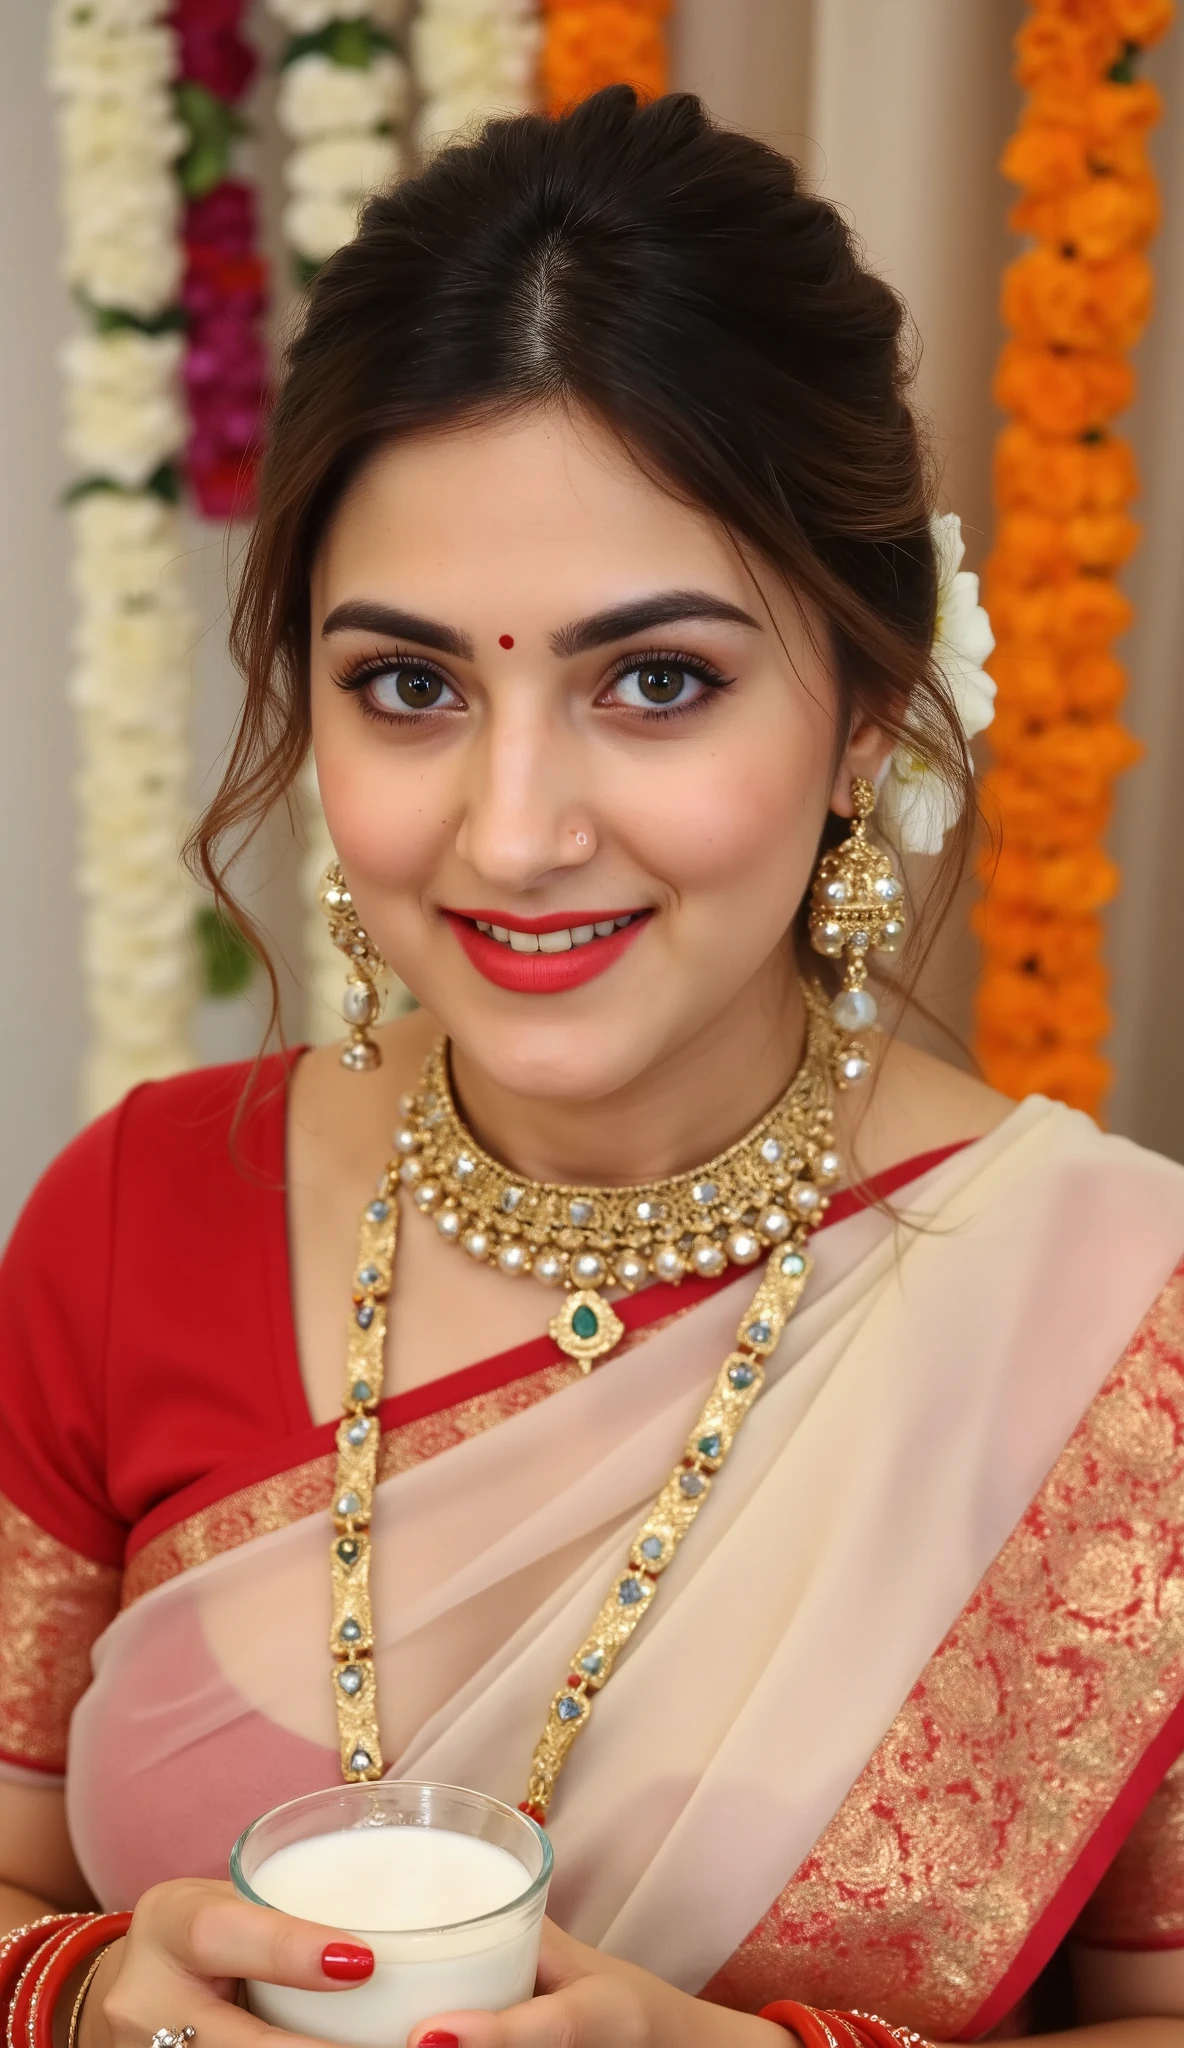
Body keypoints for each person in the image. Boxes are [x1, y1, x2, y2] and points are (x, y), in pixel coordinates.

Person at [3, 82, 1184, 2048]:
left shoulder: (1122, 1330)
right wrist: (85, 1986)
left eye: (655, 680)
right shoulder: (137, 1213)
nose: (516, 825)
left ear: (865, 705)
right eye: (409, 685)